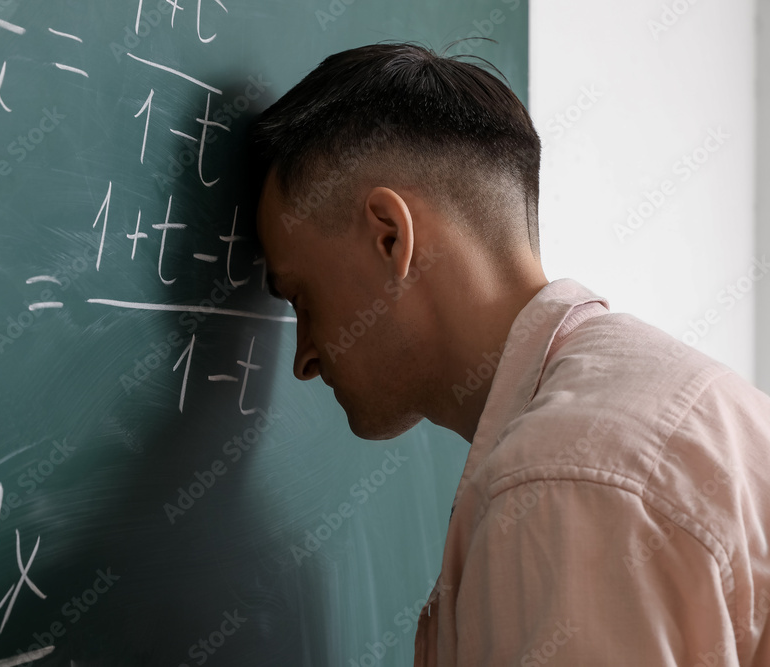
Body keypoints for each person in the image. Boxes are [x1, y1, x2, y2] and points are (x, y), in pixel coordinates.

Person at [249, 42, 770, 666]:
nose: (304, 356)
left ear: (390, 237)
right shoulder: (690, 403)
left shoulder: (562, 481)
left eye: (302, 297)